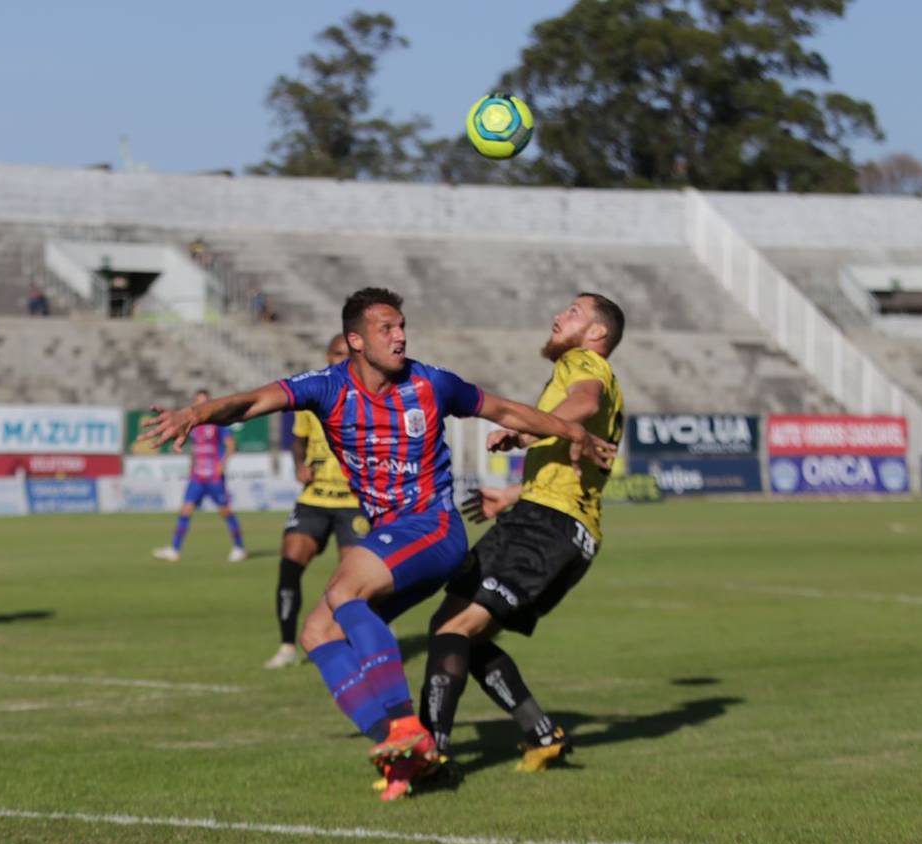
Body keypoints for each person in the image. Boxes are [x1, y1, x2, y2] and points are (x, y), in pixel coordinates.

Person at [141, 287, 608, 801]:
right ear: (356, 340)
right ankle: (404, 754)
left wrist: (571, 431)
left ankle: (407, 726)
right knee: (318, 634)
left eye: (402, 325)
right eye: (387, 329)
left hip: (432, 528)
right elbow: (254, 401)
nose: (401, 335)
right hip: (394, 535)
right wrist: (194, 414)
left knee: (345, 592)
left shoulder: (432, 383)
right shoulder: (326, 386)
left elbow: (507, 411)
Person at [414, 292, 626, 789]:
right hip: (550, 522)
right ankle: (541, 732)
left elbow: (584, 401)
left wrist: (526, 434)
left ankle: (429, 757)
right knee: (455, 627)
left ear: (596, 334)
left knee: (455, 628)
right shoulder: (583, 373)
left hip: (546, 528)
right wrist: (511, 495)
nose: (558, 315)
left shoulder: (584, 363)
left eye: (573, 312)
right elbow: (575, 459)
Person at [264, 334, 364, 670]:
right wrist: (299, 464)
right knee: (289, 563)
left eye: (347, 355)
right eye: (336, 354)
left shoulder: (368, 395)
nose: (341, 360)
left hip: (353, 501)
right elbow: (298, 440)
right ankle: (287, 646)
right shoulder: (315, 392)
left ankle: (356, 638)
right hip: (314, 497)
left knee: (353, 579)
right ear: (327, 355)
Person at [152, 390, 247, 564]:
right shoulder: (193, 425)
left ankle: (239, 548)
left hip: (214, 477)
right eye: (198, 402)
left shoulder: (218, 423)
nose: (201, 405)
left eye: (204, 401)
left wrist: (222, 465)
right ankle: (175, 550)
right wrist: (191, 468)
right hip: (197, 477)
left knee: (225, 511)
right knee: (185, 510)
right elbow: (195, 450)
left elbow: (231, 446)